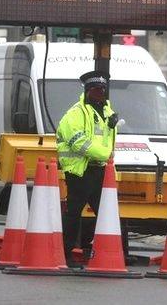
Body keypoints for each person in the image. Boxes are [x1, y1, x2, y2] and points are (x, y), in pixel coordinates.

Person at [56, 70, 119, 263]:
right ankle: (65, 254)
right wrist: (104, 155)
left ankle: (111, 254)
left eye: (102, 89)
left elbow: (104, 139)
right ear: (87, 91)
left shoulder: (107, 112)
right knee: (74, 213)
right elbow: (78, 142)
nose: (100, 93)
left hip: (100, 169)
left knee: (107, 213)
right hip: (80, 170)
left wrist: (111, 127)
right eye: (96, 89)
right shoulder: (75, 113)